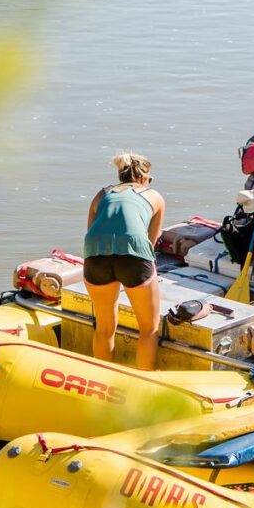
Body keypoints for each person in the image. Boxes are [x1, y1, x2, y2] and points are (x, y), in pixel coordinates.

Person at [84, 152, 165, 370]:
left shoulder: (101, 194)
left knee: (104, 327)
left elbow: (91, 231)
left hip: (95, 254)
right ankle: (143, 382)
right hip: (133, 254)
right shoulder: (154, 196)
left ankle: (103, 379)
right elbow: (150, 242)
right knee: (149, 328)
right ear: (144, 178)